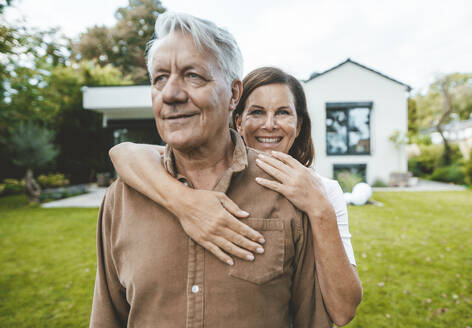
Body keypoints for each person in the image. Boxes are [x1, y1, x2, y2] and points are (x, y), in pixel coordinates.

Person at [91, 11, 339, 327]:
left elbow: (314, 321)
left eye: (193, 75)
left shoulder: (287, 191)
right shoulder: (122, 198)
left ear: (234, 94)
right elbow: (107, 317)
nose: (171, 94)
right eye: (159, 78)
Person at [109, 67, 362, 325]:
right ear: (238, 122)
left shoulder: (324, 191)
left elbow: (343, 311)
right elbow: (126, 153)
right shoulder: (205, 175)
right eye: (257, 112)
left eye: (283, 112)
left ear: (298, 126)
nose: (269, 124)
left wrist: (319, 208)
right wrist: (184, 202)